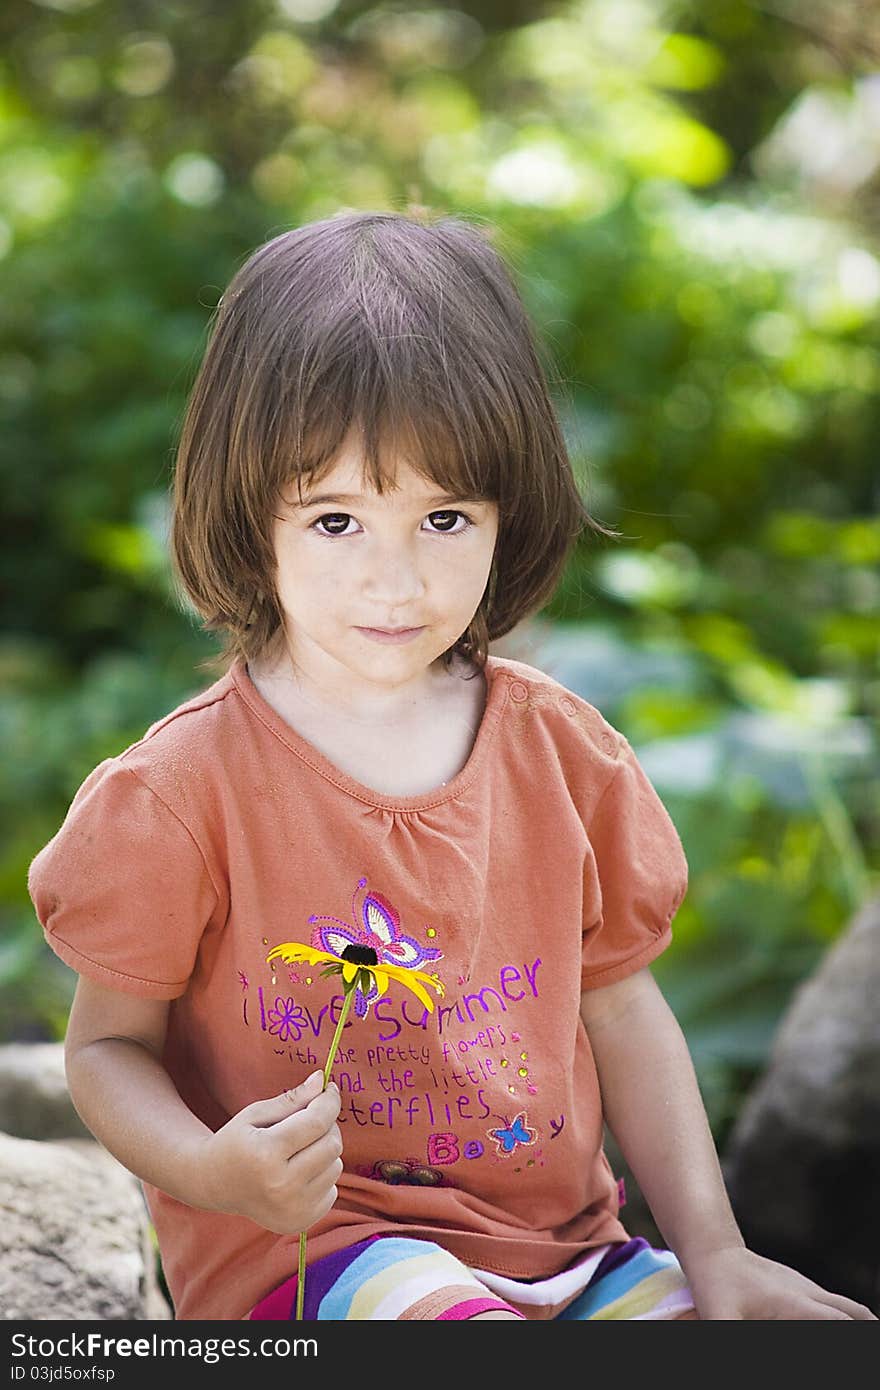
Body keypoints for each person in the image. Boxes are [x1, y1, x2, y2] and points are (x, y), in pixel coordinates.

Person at [27, 209, 875, 1323]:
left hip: (568, 1251)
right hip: (318, 1256)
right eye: (335, 521)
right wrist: (209, 1169)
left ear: (505, 513)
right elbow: (105, 1051)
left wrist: (714, 1256)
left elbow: (623, 1012)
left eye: (442, 517)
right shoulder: (182, 792)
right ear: (249, 513)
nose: (396, 580)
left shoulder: (563, 753)